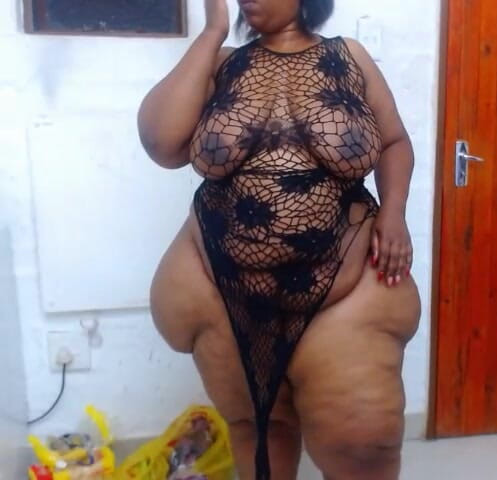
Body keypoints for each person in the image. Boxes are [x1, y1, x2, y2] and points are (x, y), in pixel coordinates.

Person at [138, 0, 421, 478]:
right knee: (258, 430)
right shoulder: (221, 64)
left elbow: (394, 141)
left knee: (363, 444)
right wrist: (212, 30)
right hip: (221, 285)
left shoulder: (349, 57)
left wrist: (394, 213)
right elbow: (161, 144)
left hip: (344, 285)